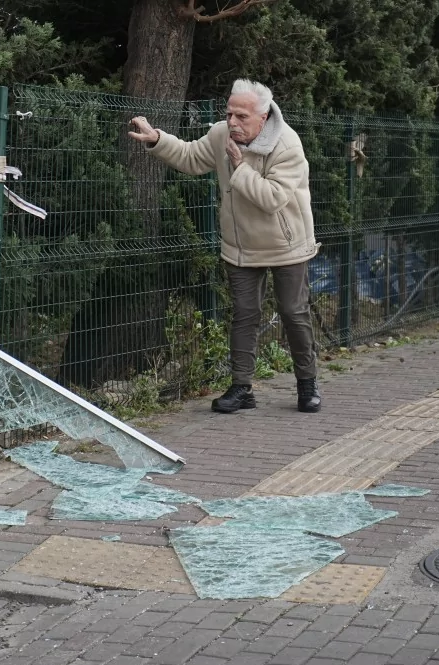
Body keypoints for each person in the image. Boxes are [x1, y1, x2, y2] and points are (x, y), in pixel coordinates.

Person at [128, 78, 322, 414]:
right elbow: (191, 157)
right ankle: (242, 388)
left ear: (263, 118)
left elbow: (272, 198)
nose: (232, 122)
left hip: (286, 244)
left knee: (293, 312)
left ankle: (307, 384)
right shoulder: (222, 135)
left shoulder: (287, 146)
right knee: (245, 315)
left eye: (241, 117)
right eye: (229, 113)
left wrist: (239, 167)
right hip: (241, 245)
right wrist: (158, 139)